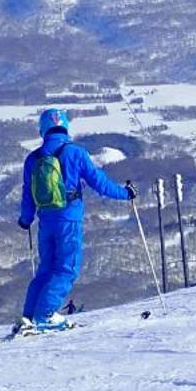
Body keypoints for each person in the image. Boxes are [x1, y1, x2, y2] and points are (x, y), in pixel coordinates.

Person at [17, 107, 133, 331]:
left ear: (43, 130)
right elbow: (100, 183)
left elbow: (27, 194)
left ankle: (28, 316)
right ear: (65, 127)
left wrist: (25, 219)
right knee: (67, 268)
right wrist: (126, 193)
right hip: (69, 219)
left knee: (46, 269)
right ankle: (46, 315)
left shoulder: (33, 158)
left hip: (45, 221)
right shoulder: (75, 152)